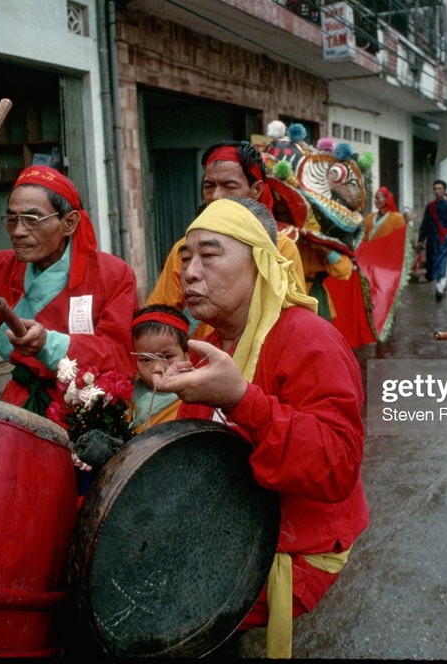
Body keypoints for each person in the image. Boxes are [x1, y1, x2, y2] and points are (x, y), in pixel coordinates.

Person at [156, 196, 368, 658]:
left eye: (209, 255)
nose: (189, 272)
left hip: (297, 544)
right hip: (233, 525)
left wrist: (241, 400)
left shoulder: (309, 338)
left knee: (157, 614)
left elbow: (337, 467)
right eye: (185, 257)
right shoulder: (209, 345)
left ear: (259, 264)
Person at [0, 165, 137, 413]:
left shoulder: (113, 275)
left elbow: (123, 358)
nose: (18, 231)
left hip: (90, 409)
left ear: (69, 222)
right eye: (11, 219)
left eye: (32, 220)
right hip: (21, 406)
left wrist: (48, 345)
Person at [147, 140, 305, 337]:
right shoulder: (185, 247)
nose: (216, 196)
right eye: (209, 186)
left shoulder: (280, 248)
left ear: (256, 190)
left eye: (229, 186)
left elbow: (289, 319)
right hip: (199, 359)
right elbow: (159, 313)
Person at [128, 304, 189, 433]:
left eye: (167, 357)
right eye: (145, 360)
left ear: (186, 356)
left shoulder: (195, 396)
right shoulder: (128, 396)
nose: (157, 368)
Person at [417, 179, 447, 303]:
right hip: (432, 240)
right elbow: (425, 224)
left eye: (440, 189)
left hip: (445, 240)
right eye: (435, 189)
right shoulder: (430, 206)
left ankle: (440, 288)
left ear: (444, 191)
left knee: (444, 263)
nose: (437, 191)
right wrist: (421, 239)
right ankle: (441, 285)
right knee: (433, 263)